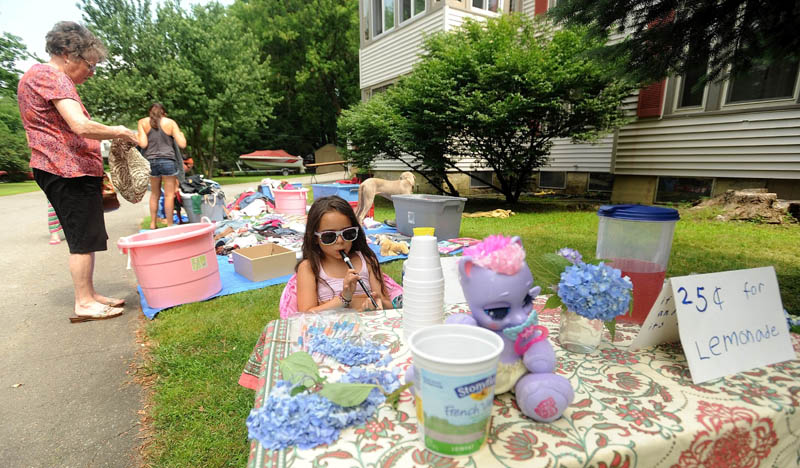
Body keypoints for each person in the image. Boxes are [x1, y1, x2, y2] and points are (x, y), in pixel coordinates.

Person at [17, 21, 138, 322]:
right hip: (65, 170)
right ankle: (83, 302)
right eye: (90, 64)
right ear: (68, 53)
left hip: (66, 169)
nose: (92, 73)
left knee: (86, 235)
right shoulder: (50, 76)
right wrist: (119, 131)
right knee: (82, 238)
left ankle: (90, 294)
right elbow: (79, 125)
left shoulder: (40, 77)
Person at [296, 196, 394, 312]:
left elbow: (388, 306)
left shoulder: (368, 261)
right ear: (314, 238)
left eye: (348, 233)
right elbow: (305, 315)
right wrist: (344, 298)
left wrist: (378, 303)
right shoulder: (309, 268)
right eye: (329, 236)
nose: (340, 241)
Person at [137, 103, 187, 229]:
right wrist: (181, 134)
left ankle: (153, 224)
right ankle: (170, 224)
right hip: (168, 160)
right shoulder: (170, 123)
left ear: (150, 112)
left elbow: (142, 144)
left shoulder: (142, 122)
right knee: (169, 195)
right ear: (164, 113)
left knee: (154, 194)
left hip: (150, 161)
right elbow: (182, 144)